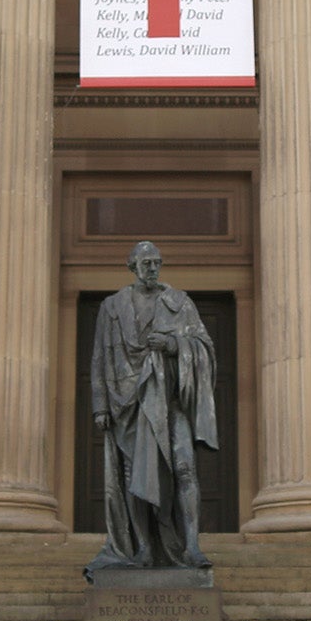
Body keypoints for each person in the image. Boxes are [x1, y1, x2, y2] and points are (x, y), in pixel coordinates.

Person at [84, 240, 218, 577]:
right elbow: (99, 359)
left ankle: (191, 545)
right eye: (145, 264)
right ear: (131, 267)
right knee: (134, 479)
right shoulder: (112, 307)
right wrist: (100, 406)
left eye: (157, 262)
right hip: (127, 404)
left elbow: (205, 348)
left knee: (186, 467)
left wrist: (174, 344)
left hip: (170, 401)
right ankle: (142, 546)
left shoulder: (179, 303)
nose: (152, 269)